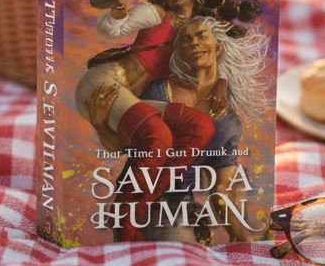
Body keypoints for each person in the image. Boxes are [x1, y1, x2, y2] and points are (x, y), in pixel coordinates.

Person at [74, 0, 262, 201]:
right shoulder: (156, 13)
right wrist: (119, 9)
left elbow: (218, 57)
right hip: (104, 84)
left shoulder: (198, 29)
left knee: (196, 125)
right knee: (158, 135)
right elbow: (112, 30)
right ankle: (128, 213)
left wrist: (221, 83)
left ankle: (153, 201)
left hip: (129, 99)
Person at [85, 16, 269, 243]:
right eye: (186, 39)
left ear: (217, 47)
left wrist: (241, 238)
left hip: (177, 206)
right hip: (135, 200)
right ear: (179, 51)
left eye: (202, 36)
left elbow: (223, 191)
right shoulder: (155, 92)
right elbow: (120, 146)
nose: (194, 43)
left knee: (183, 258)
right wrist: (100, 122)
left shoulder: (228, 123)